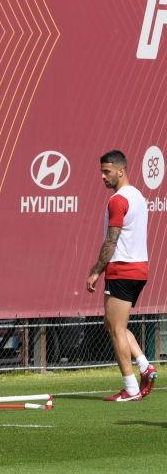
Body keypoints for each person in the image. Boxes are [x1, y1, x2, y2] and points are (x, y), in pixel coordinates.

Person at [86, 150, 156, 401]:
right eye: (102, 171)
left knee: (116, 330)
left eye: (107, 171)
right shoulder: (138, 195)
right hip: (139, 269)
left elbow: (111, 240)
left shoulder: (118, 200)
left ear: (121, 170)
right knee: (113, 324)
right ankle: (145, 366)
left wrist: (96, 271)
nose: (103, 176)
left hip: (122, 269)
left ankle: (131, 388)